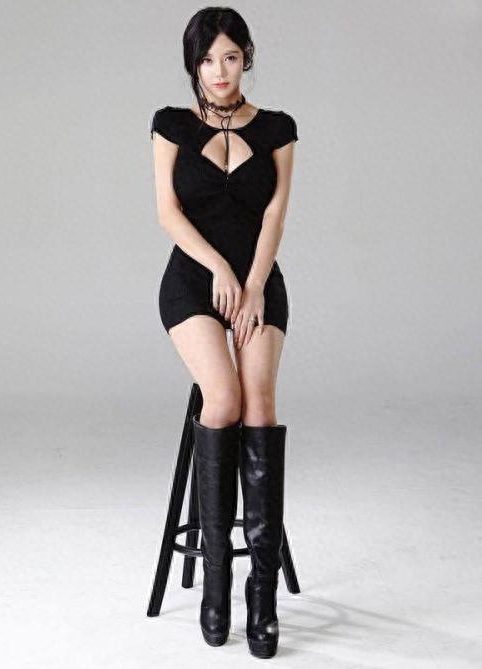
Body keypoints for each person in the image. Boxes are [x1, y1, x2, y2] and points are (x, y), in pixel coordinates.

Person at [149, 7, 298, 659]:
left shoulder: (279, 128)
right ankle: (217, 583)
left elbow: (275, 217)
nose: (219, 71)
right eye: (207, 60)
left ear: (247, 57)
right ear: (194, 64)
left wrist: (254, 283)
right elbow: (168, 212)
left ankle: (262, 597)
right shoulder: (171, 125)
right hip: (193, 281)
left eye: (230, 57)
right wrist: (219, 270)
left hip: (259, 281)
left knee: (260, 404)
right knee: (224, 398)